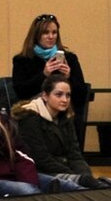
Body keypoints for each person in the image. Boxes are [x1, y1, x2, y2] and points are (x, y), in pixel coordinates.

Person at [12, 75, 111, 190]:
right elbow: (41, 159)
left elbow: (75, 154)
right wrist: (77, 176)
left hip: (65, 170)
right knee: (84, 186)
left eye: (68, 95)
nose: (65, 100)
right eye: (59, 95)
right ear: (45, 96)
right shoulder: (29, 118)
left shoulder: (66, 118)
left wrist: (84, 175)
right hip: (42, 173)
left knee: (98, 182)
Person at [10, 13, 91, 150]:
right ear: (36, 35)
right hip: (35, 112)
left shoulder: (69, 58)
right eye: (45, 33)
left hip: (63, 112)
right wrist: (44, 74)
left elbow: (82, 95)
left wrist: (69, 76)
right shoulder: (22, 59)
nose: (51, 36)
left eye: (54, 32)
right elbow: (21, 91)